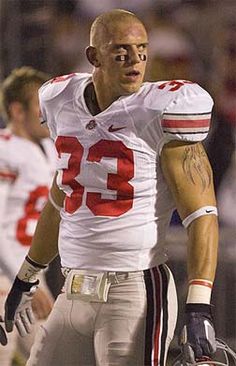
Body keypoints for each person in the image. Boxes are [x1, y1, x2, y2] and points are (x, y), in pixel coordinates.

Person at [3, 10, 219, 366]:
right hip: (72, 291)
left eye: (142, 50)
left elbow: (202, 214)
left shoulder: (160, 111)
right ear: (94, 57)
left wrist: (199, 304)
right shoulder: (61, 101)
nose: (135, 61)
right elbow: (61, 201)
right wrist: (27, 275)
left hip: (133, 292)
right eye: (121, 51)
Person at [0, 67, 56, 365]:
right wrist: (27, 283)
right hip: (5, 277)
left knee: (48, 355)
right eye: (40, 105)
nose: (47, 114)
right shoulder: (4, 149)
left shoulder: (49, 148)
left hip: (30, 276)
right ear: (17, 110)